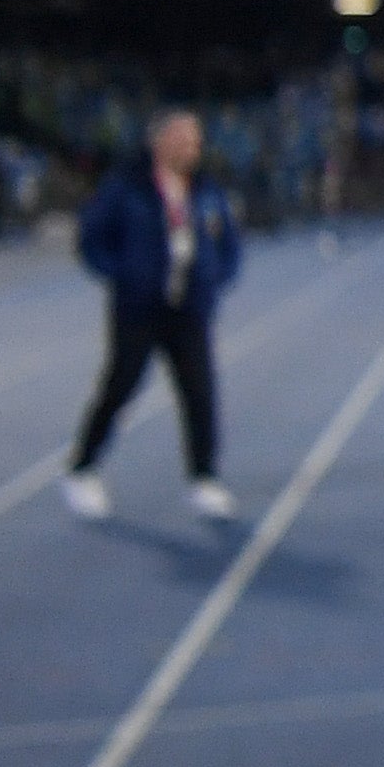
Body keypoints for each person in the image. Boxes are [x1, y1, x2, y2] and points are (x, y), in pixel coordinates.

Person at [60, 111, 242, 524]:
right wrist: (122, 275)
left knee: (199, 392)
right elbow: (91, 237)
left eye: (197, 140)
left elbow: (228, 240)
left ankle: (204, 476)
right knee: (120, 387)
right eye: (184, 139)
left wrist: (217, 277)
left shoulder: (206, 189)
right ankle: (82, 468)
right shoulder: (127, 187)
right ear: (160, 141)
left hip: (189, 307)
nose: (193, 148)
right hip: (139, 308)